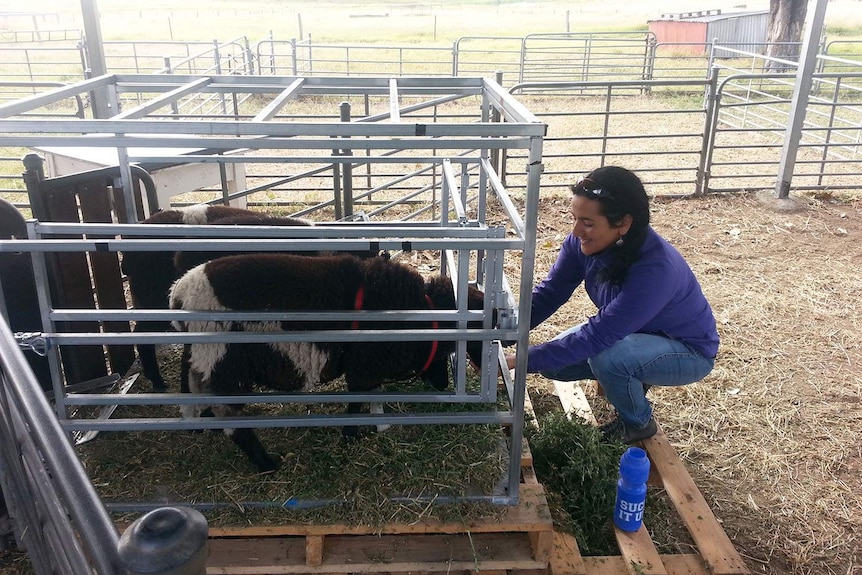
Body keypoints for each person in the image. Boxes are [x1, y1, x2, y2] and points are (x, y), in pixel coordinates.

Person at [505, 165, 719, 443]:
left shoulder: (655, 269)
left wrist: (518, 361)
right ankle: (631, 373)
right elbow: (551, 292)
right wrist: (504, 332)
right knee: (554, 366)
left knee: (608, 357)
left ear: (624, 223)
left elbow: (599, 335)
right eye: (575, 219)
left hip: (685, 350)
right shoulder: (583, 244)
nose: (576, 230)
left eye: (588, 223)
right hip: (633, 333)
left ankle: (638, 425)